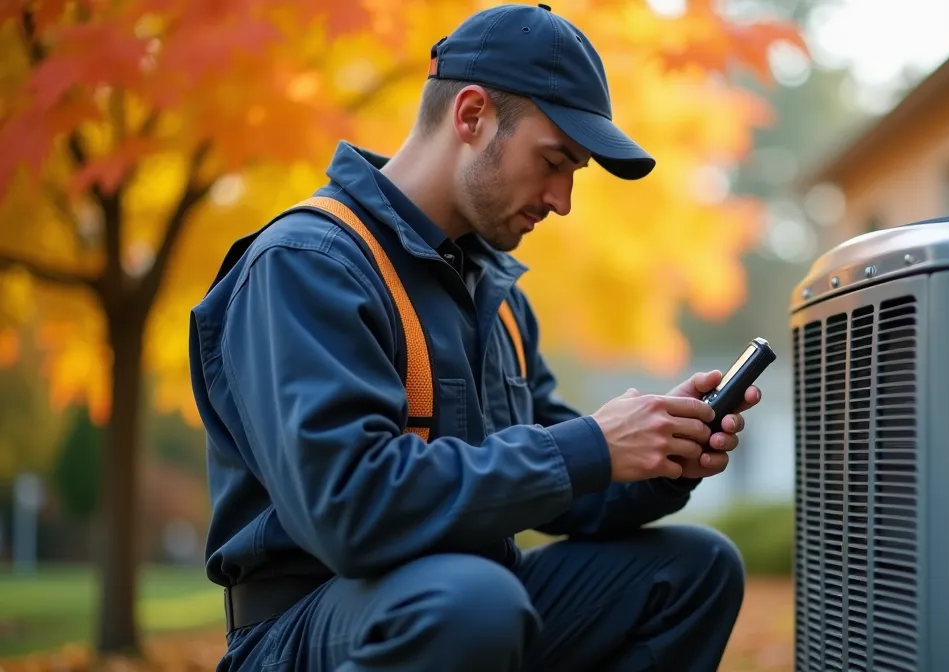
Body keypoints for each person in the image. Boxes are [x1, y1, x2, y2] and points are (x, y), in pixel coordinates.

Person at [188, 3, 762, 671]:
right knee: (472, 603)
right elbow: (348, 510)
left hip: (474, 599)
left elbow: (555, 479)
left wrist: (660, 458)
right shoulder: (308, 264)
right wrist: (590, 446)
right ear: (470, 116)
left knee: (693, 571)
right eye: (554, 161)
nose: (563, 199)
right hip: (311, 627)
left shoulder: (498, 297)